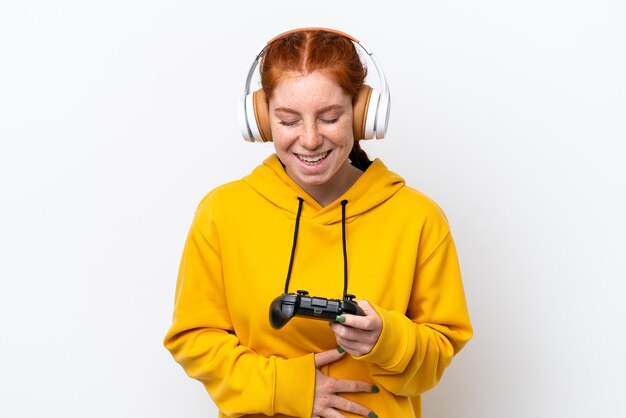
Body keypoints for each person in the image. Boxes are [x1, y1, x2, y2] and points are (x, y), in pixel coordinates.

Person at [164, 27, 472, 418]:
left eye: (330, 117)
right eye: (289, 120)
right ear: (260, 120)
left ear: (362, 114)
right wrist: (285, 387)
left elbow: (440, 351)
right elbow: (193, 338)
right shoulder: (221, 212)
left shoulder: (418, 217)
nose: (310, 140)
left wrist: (389, 340)